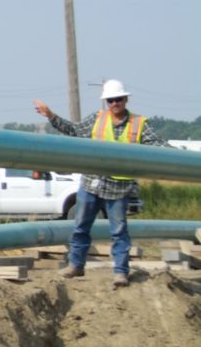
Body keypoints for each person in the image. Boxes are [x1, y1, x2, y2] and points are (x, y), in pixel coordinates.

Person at [34, 79, 167, 286]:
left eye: (118, 99)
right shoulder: (97, 119)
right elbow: (73, 130)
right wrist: (51, 115)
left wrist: (182, 158)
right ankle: (76, 265)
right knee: (80, 226)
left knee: (118, 231)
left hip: (118, 188)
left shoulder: (139, 124)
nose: (115, 104)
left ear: (126, 99)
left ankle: (120, 272)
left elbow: (159, 146)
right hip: (91, 183)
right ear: (106, 102)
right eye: (111, 100)